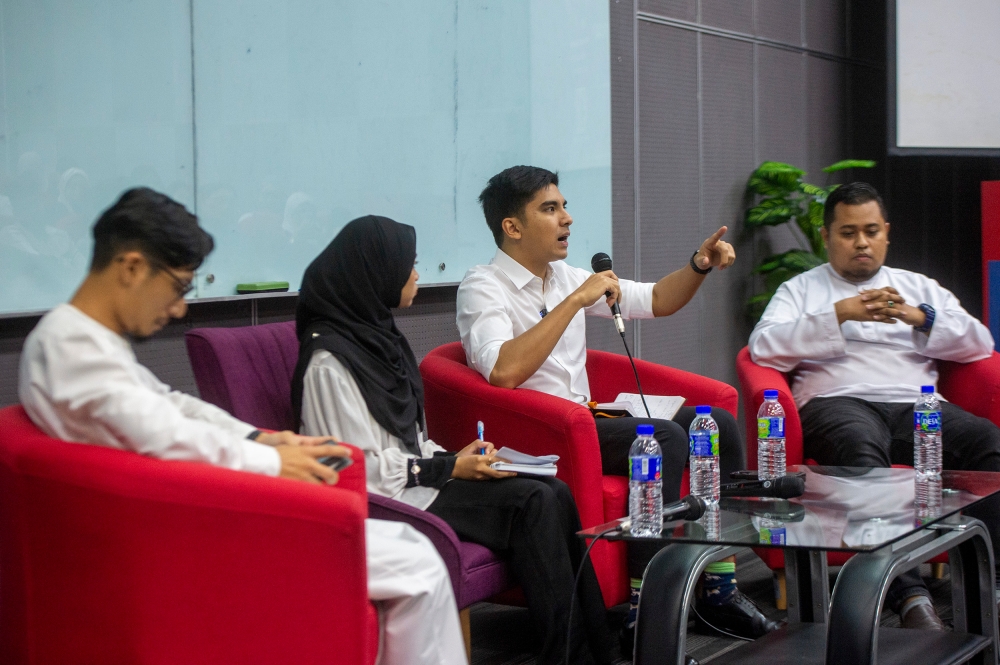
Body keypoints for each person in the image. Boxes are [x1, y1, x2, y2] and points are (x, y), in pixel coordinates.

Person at [18, 188, 467, 665]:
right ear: (131, 268)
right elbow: (164, 433)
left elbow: (172, 407)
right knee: (418, 564)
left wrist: (259, 437)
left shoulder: (81, 339)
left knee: (411, 550)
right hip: (181, 527)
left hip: (177, 510)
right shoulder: (75, 351)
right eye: (178, 287)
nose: (178, 309)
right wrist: (271, 462)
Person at [455, 165, 776, 650]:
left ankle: (719, 587)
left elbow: (657, 299)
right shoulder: (482, 286)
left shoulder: (565, 276)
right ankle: (645, 608)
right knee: (663, 437)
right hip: (540, 433)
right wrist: (572, 302)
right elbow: (503, 370)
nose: (567, 218)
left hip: (588, 421)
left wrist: (699, 265)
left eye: (564, 206)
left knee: (717, 425)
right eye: (550, 209)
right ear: (512, 226)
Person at [292, 215, 617, 665]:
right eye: (408, 265)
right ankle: (568, 657)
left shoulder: (377, 341)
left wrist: (455, 456)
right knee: (533, 502)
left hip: (417, 481)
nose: (416, 275)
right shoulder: (328, 364)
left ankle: (598, 650)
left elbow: (405, 442)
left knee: (554, 490)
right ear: (376, 273)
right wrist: (448, 468)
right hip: (389, 501)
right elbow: (351, 468)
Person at [749, 181, 1000, 631]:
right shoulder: (801, 289)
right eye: (848, 233)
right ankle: (910, 596)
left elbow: (979, 342)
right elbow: (763, 348)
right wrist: (840, 313)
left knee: (988, 442)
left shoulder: (917, 286)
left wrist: (918, 316)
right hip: (837, 402)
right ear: (826, 236)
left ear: (886, 232)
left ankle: (989, 584)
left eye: (870, 231)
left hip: (915, 404)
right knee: (860, 448)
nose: (861, 243)